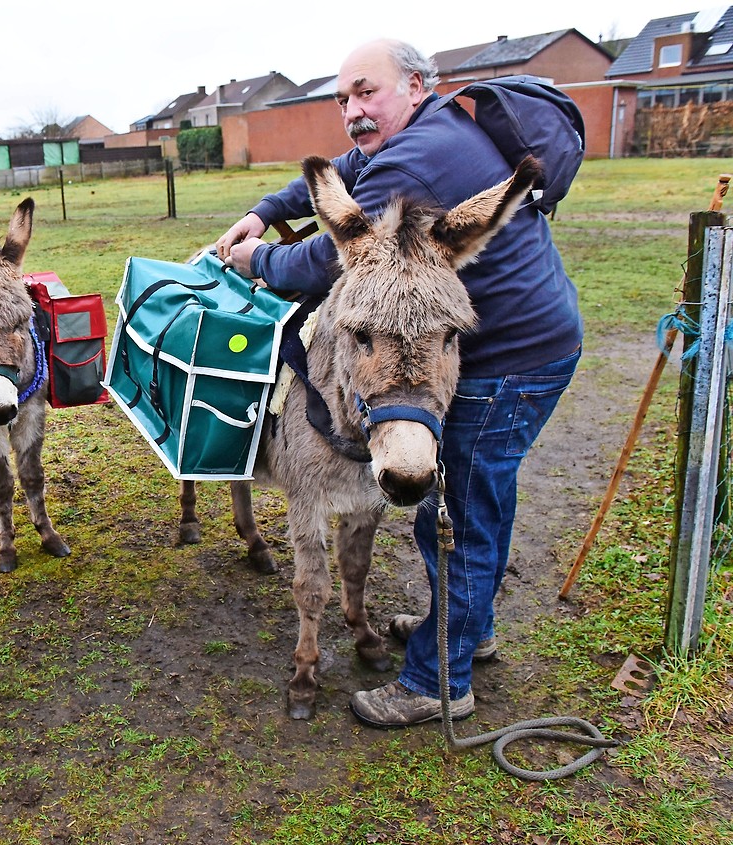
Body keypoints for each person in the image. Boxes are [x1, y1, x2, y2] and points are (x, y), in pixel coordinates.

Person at [216, 38, 582, 728]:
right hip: (518, 342)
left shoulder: (418, 158)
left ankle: (438, 681)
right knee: (474, 503)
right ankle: (471, 630)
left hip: (508, 359)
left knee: (462, 518)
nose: (354, 110)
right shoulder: (429, 130)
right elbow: (343, 170)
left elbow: (330, 257)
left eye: (368, 92)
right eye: (343, 98)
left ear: (417, 86)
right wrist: (267, 207)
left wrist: (255, 257)